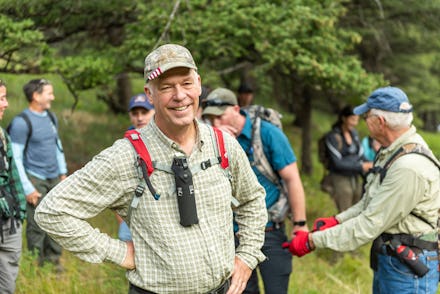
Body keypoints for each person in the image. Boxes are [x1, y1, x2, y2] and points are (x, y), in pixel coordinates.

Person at [35, 44, 267, 294]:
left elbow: (252, 199)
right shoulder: (126, 156)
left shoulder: (222, 144)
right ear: (149, 94)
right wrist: (119, 252)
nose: (179, 95)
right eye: (166, 87)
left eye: (186, 83)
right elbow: (52, 211)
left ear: (198, 84)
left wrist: (247, 255)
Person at [284, 86, 440, 294]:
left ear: (380, 122)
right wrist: (337, 220)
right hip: (394, 260)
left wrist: (311, 241)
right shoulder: (394, 151)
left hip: (407, 270)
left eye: (367, 116)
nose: (364, 121)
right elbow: (370, 202)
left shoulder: (408, 167)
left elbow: (369, 224)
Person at [202, 88, 308, 294]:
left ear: (236, 109)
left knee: (276, 288)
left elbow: (292, 178)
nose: (215, 124)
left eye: (220, 117)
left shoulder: (267, 133)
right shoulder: (211, 138)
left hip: (269, 230)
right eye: (210, 119)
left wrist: (300, 224)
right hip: (230, 234)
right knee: (241, 290)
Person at [8, 78, 67, 268]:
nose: (53, 97)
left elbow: (57, 147)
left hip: (54, 177)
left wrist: (63, 173)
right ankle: (35, 264)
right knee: (37, 225)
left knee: (57, 220)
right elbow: (15, 158)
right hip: (35, 178)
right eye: (49, 93)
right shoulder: (21, 122)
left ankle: (54, 262)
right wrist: (27, 188)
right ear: (36, 96)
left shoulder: (51, 117)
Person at [116, 93, 155, 242]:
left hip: (157, 208)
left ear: (155, 112)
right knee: (127, 241)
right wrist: (121, 217)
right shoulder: (125, 143)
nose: (140, 118)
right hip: (133, 208)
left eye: (145, 113)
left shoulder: (163, 137)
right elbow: (119, 184)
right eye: (135, 113)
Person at [0, 80, 26, 294]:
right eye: (1, 98)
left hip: (9, 224)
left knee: (7, 284)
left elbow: (13, 176)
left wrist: (20, 211)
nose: (6, 104)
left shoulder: (2, 135)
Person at [324, 105, 372, 212]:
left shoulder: (354, 134)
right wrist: (361, 166)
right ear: (344, 118)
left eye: (357, 120)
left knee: (357, 207)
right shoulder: (332, 137)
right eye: (352, 119)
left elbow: (360, 154)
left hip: (354, 176)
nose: (355, 123)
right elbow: (337, 163)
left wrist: (371, 164)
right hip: (339, 176)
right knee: (345, 209)